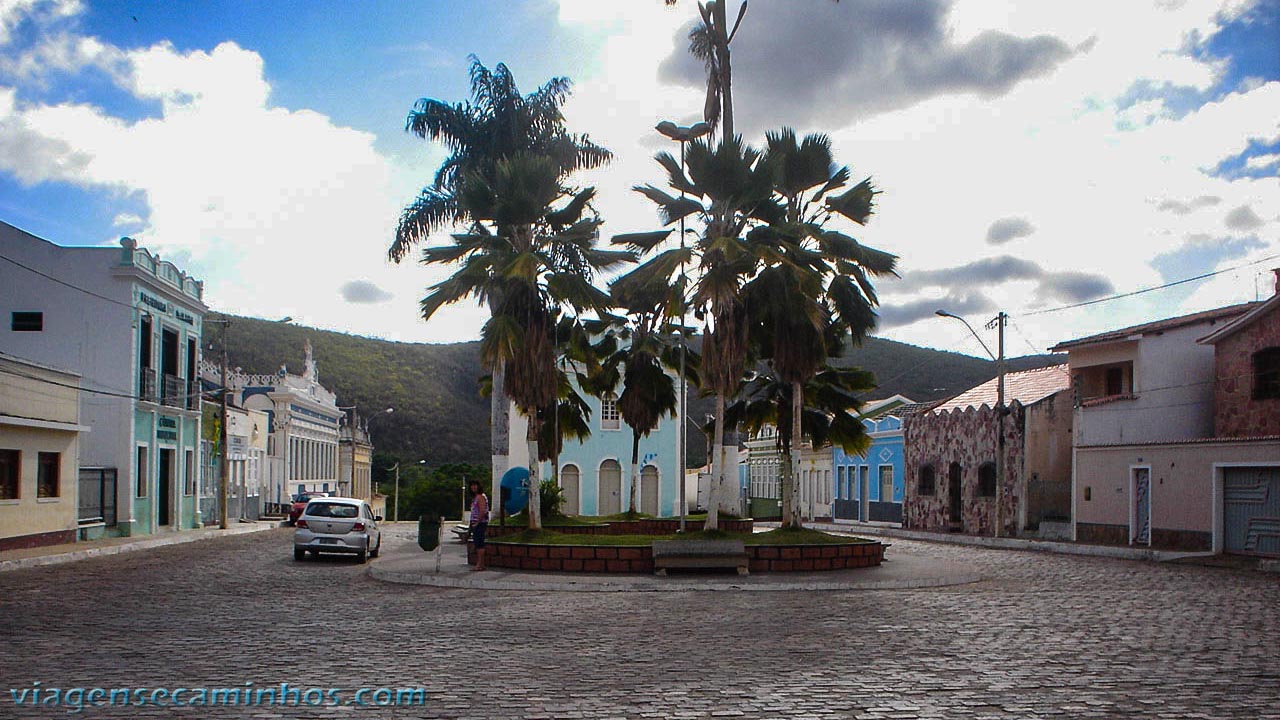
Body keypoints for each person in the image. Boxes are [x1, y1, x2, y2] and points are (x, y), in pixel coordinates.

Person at [468, 479, 489, 571]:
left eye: (475, 485)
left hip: (480, 523)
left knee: (479, 544)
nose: (473, 487)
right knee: (477, 543)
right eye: (472, 486)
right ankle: (480, 564)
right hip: (476, 523)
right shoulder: (475, 497)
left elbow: (482, 510)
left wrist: (477, 522)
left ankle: (479, 564)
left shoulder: (481, 497)